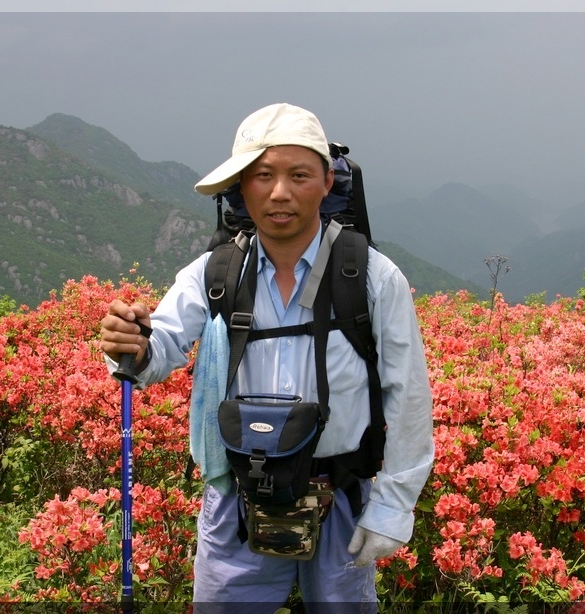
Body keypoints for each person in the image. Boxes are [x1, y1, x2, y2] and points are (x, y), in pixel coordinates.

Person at [100, 102, 433, 612]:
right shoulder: (214, 274)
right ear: (239, 186)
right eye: (262, 176)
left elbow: (407, 394)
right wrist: (134, 343)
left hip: (339, 493)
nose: (280, 193)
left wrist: (392, 506)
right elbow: (159, 347)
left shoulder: (370, 277)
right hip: (237, 498)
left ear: (327, 182)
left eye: (299, 175)